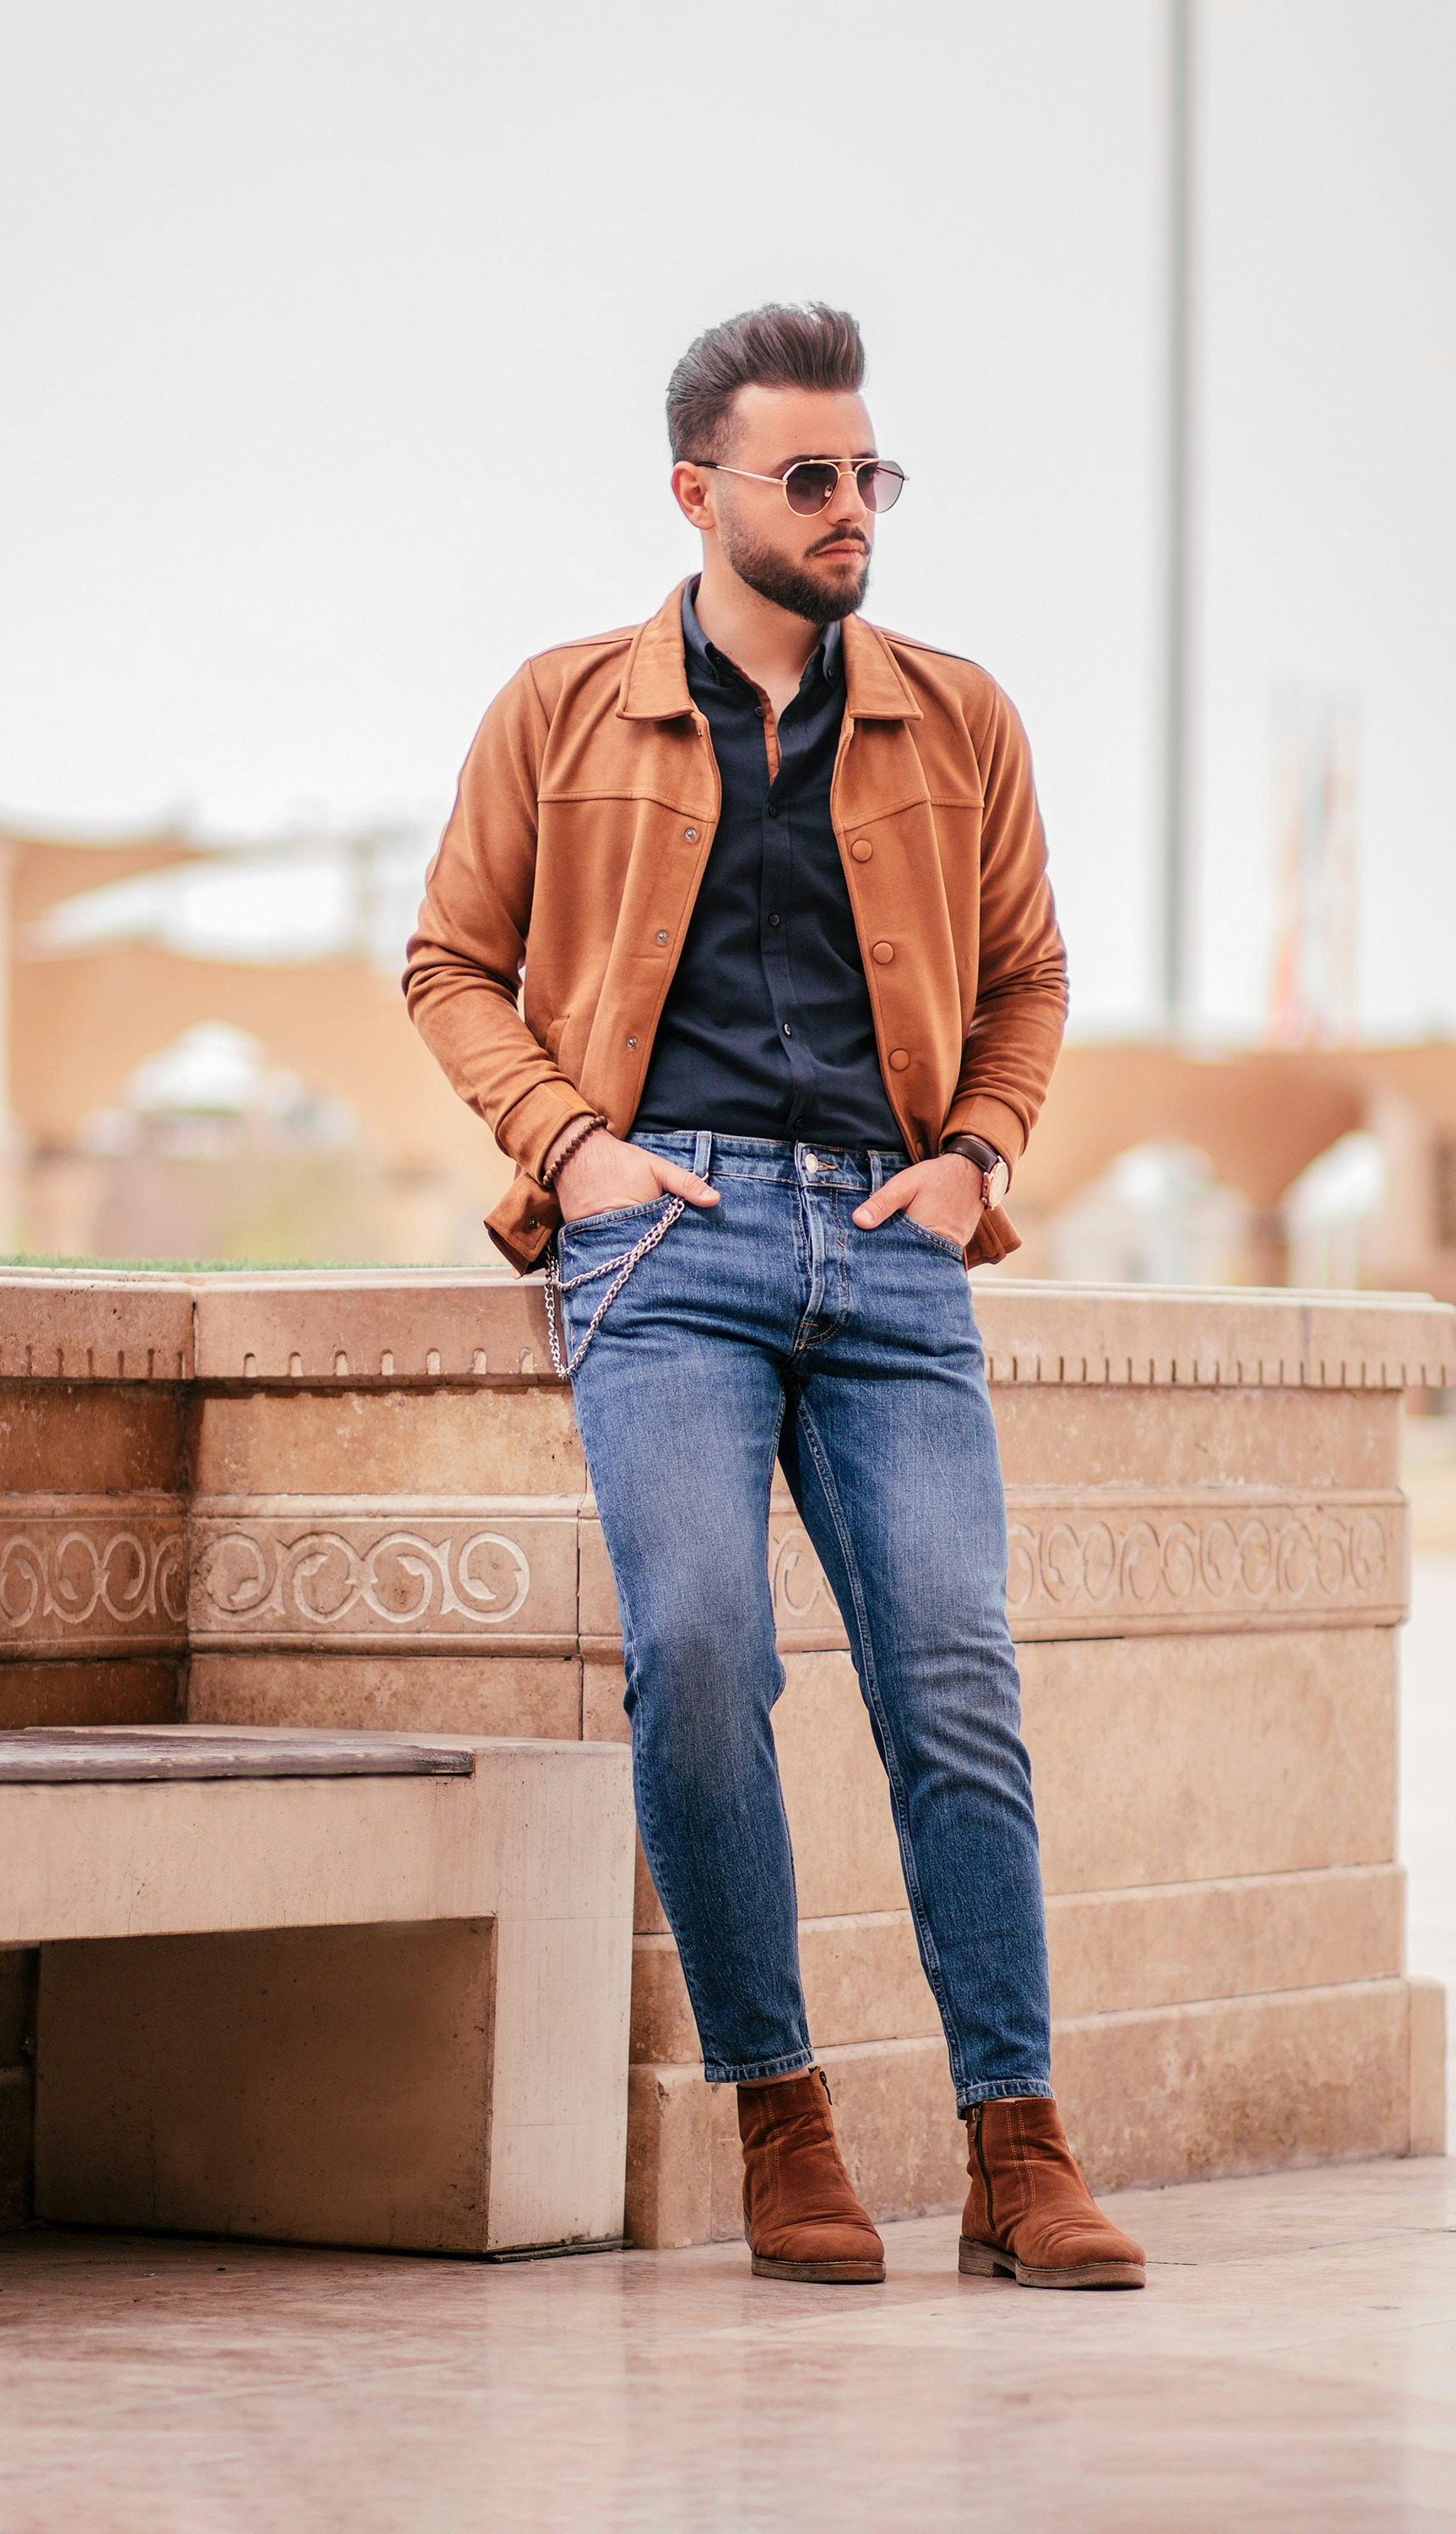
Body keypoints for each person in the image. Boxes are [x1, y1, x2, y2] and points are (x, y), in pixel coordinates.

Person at [404, 303, 1145, 2293]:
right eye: (807, 477)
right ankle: (782, 2123)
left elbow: (1030, 972)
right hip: (669, 1243)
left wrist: (979, 1157)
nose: (847, 509)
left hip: (894, 1251)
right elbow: (448, 962)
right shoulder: (561, 710)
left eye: (866, 474)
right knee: (704, 1663)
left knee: (955, 1692)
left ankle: (1017, 2148)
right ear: (697, 491)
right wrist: (568, 1146)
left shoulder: (955, 714)